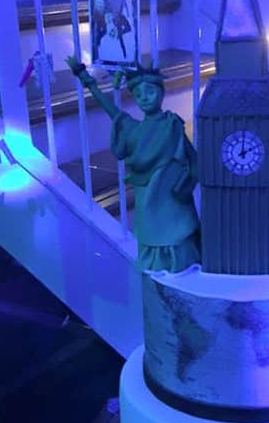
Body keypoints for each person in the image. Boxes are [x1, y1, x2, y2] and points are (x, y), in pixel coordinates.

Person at [66, 56, 201, 273]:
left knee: (177, 228)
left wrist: (190, 179)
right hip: (147, 196)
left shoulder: (172, 124)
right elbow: (111, 110)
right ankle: (157, 265)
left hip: (172, 192)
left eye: (150, 92)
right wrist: (86, 80)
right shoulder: (133, 129)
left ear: (161, 93)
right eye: (138, 95)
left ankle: (180, 261)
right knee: (151, 229)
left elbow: (192, 157)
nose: (144, 98)